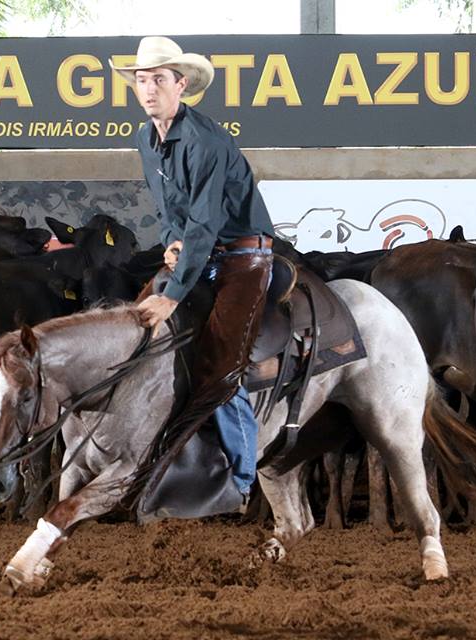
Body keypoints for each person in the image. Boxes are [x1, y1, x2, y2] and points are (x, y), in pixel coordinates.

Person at [110, 36, 279, 505]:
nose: (148, 90)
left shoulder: (206, 140)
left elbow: (204, 220)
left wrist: (176, 290)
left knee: (221, 364)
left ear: (181, 85)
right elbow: (169, 212)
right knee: (141, 338)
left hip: (244, 255)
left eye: (159, 80)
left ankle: (242, 483)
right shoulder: (145, 138)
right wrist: (171, 245)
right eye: (142, 81)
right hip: (198, 253)